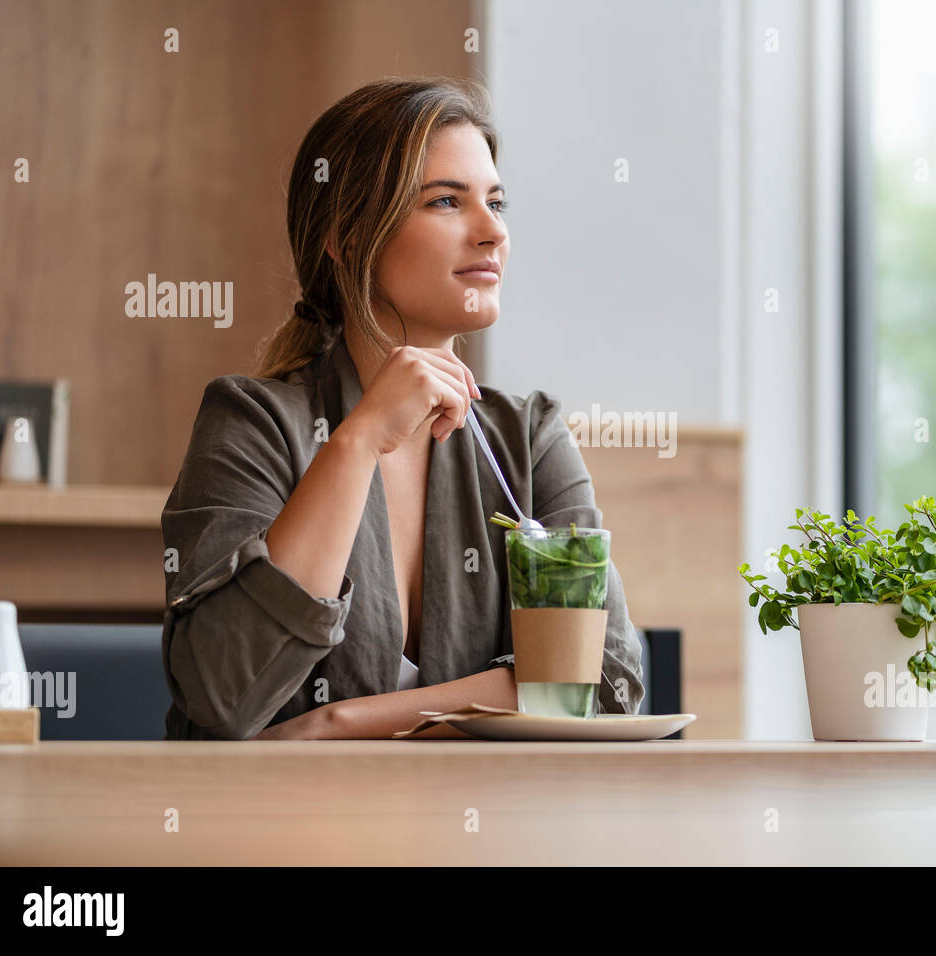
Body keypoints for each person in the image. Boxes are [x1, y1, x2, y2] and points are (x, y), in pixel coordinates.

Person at [160, 76, 645, 740]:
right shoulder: (251, 423)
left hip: (486, 838)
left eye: (497, 203)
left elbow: (606, 681)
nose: (491, 233)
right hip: (275, 837)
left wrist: (341, 721)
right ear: (348, 238)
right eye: (447, 201)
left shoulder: (528, 436)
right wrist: (355, 445)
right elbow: (223, 694)